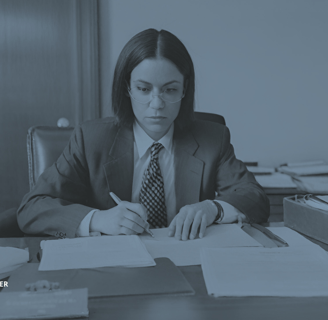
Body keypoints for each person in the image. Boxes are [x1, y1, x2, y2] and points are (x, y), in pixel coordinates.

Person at [17, 29, 270, 240]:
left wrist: (212, 208)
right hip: (113, 270)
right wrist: (98, 219)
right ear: (127, 88)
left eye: (170, 90)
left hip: (190, 266)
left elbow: (255, 199)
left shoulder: (213, 138)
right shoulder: (90, 139)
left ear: (184, 90)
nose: (157, 104)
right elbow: (32, 207)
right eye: (143, 89)